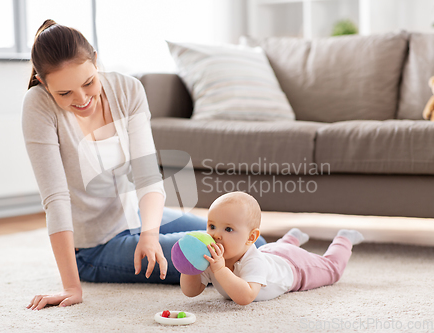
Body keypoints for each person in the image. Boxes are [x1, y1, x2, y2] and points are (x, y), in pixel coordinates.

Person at [22, 19, 267, 311]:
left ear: (96, 61)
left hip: (136, 217)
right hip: (93, 247)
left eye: (88, 82)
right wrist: (71, 287)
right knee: (216, 254)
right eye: (65, 93)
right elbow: (56, 199)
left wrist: (149, 235)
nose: (83, 98)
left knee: (251, 243)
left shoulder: (128, 90)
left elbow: (147, 175)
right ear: (42, 83)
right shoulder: (37, 106)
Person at [180, 191, 364, 305]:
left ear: (251, 238)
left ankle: (344, 239)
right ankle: (293, 237)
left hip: (293, 265)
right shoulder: (211, 258)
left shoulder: (251, 261)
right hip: (270, 252)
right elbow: (191, 291)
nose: (216, 235)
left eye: (228, 229)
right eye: (212, 226)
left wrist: (220, 270)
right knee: (277, 248)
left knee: (332, 269)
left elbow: (245, 297)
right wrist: (189, 265)